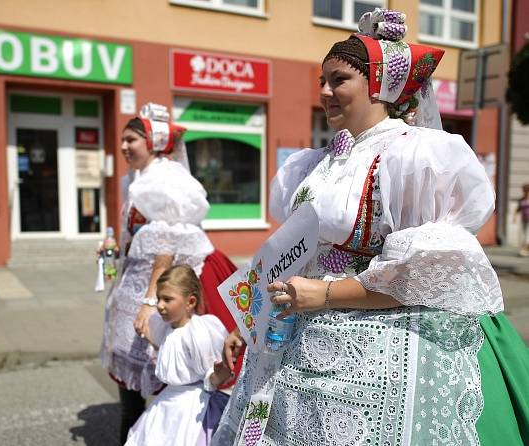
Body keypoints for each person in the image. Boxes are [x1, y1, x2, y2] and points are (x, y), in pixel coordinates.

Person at [213, 9, 529, 446]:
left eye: (339, 79)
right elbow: (289, 252)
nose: (324, 91)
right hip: (292, 340)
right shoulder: (314, 164)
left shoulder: (413, 156)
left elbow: (422, 277)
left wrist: (323, 294)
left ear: (378, 85)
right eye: (322, 80)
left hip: (370, 349)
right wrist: (247, 321)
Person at [100, 103, 236, 444]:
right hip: (138, 286)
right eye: (122, 140)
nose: (124, 147)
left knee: (176, 382)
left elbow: (166, 246)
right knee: (133, 390)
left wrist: (150, 302)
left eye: (132, 139)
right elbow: (138, 240)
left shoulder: (167, 179)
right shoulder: (134, 180)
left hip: (168, 290)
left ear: (154, 142)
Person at [125, 265, 233, 446]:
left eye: (167, 299)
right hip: (167, 402)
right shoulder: (165, 327)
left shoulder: (199, 332)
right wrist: (147, 335)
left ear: (190, 302)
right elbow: (171, 354)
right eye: (159, 298)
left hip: (191, 408)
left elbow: (207, 375)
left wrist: (218, 375)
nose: (159, 305)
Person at [513, 183, 529, 256]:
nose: (524, 192)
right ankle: (524, 250)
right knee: (523, 234)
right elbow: (518, 209)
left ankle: (524, 250)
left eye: (525, 191)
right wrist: (515, 217)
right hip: (524, 219)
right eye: (524, 191)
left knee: (527, 235)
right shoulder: (522, 199)